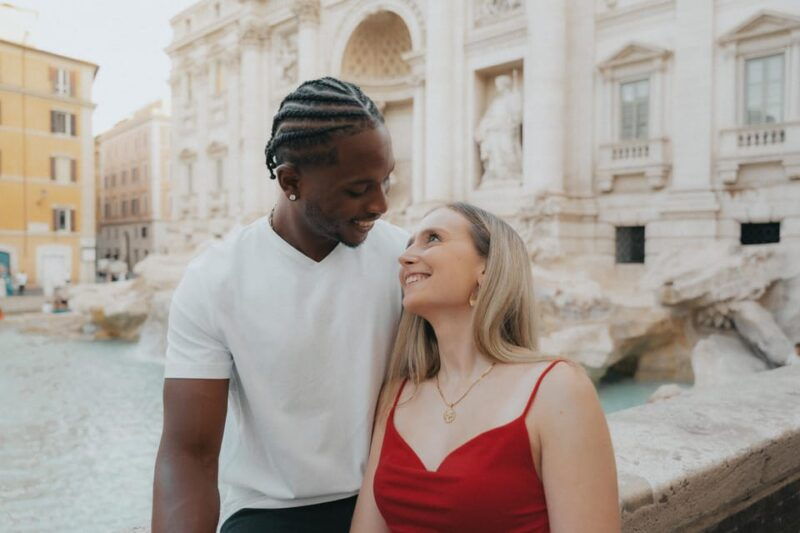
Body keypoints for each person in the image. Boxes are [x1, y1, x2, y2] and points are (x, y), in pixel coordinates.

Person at [152, 77, 407, 533]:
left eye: (386, 181)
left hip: (391, 500)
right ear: (291, 181)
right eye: (358, 189)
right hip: (269, 515)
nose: (381, 204)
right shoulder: (215, 279)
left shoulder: (406, 262)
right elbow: (189, 453)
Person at [351, 203, 620, 532]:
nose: (405, 258)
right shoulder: (397, 394)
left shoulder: (558, 388)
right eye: (410, 245)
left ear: (487, 270)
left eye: (433, 239)